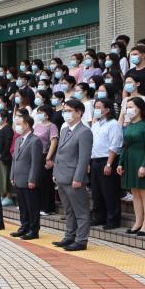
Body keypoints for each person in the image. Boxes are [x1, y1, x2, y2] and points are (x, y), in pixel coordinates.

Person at [52, 98, 93, 252]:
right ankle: (69, 236)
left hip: (74, 178)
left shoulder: (84, 132)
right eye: (64, 111)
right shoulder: (64, 130)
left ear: (79, 113)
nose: (66, 114)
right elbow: (59, 153)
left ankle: (81, 240)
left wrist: (78, 178)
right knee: (68, 210)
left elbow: (84, 158)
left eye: (69, 111)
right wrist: (55, 172)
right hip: (61, 176)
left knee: (81, 211)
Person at [118, 97, 145, 235]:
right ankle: (138, 222)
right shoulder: (130, 125)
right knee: (135, 192)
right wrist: (121, 162)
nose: (128, 110)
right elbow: (125, 145)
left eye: (131, 107)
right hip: (130, 160)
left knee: (144, 192)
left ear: (139, 108)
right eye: (127, 107)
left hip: (141, 159)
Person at [89, 98, 123, 230]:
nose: (96, 110)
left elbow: (115, 145)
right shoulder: (95, 124)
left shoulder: (113, 124)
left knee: (110, 191)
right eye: (95, 107)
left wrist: (109, 164)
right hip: (95, 160)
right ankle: (99, 217)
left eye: (98, 107)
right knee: (96, 191)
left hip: (107, 160)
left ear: (107, 110)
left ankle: (113, 219)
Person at [10, 111, 43, 239]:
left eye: (19, 124)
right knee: (22, 206)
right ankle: (24, 227)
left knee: (32, 206)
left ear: (27, 125)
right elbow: (14, 159)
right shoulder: (18, 140)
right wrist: (12, 175)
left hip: (29, 179)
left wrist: (32, 179)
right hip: (18, 178)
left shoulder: (35, 141)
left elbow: (36, 163)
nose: (17, 126)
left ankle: (34, 230)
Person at [34, 105, 59, 215]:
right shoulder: (37, 126)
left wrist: (48, 157)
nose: (39, 114)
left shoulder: (52, 126)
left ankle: (48, 208)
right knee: (38, 181)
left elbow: (54, 142)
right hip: (36, 156)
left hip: (46, 155)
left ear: (47, 115)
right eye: (38, 112)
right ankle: (39, 206)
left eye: (41, 112)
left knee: (47, 182)